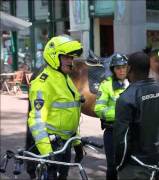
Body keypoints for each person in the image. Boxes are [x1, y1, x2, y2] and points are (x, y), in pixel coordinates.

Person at [113, 52, 159, 180]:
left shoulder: (126, 98)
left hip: (137, 168)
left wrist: (119, 165)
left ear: (130, 68)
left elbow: (122, 140)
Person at [27, 35, 84, 180]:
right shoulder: (43, 83)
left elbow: (68, 114)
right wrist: (48, 155)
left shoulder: (65, 79)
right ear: (53, 57)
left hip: (65, 145)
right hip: (51, 146)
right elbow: (36, 121)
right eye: (66, 57)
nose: (71, 62)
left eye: (71, 58)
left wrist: (76, 142)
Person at [94, 53, 129, 180]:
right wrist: (122, 112)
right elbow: (99, 109)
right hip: (112, 132)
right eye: (118, 68)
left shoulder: (133, 83)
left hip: (131, 132)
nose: (121, 70)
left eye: (124, 67)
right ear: (113, 69)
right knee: (112, 167)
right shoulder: (106, 85)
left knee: (129, 166)